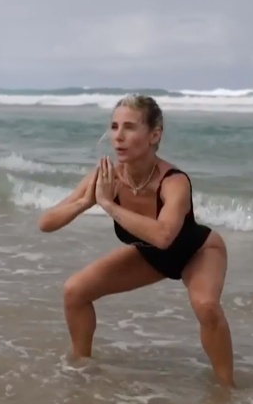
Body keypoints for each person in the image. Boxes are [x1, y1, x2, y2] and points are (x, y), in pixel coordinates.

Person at [37, 94, 235, 387]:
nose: (119, 137)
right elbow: (46, 223)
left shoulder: (173, 181)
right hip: (151, 255)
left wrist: (108, 205)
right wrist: (86, 202)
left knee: (206, 305)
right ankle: (80, 367)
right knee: (74, 292)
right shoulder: (106, 177)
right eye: (114, 127)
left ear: (155, 134)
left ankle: (226, 388)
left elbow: (164, 235)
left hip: (198, 251)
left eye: (129, 127)